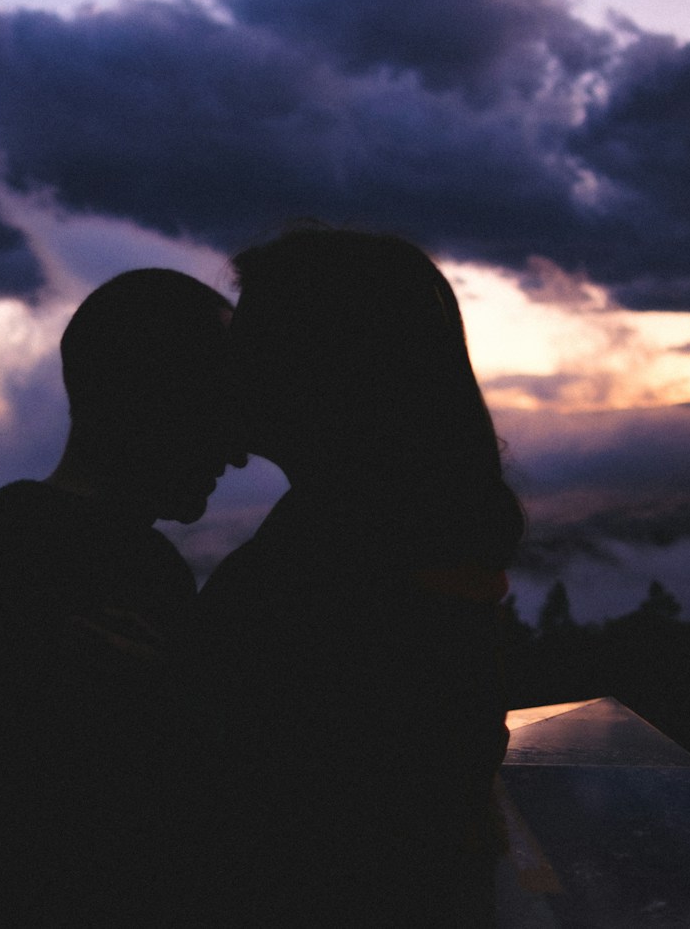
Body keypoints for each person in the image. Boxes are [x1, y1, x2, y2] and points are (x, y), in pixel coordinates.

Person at [0, 268, 246, 926]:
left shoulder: (10, 542)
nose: (238, 447)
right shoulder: (27, 559)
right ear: (155, 396)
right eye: (221, 401)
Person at [192, 226, 524, 926]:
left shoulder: (304, 595)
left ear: (322, 363)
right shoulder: (428, 547)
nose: (230, 365)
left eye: (252, 339)